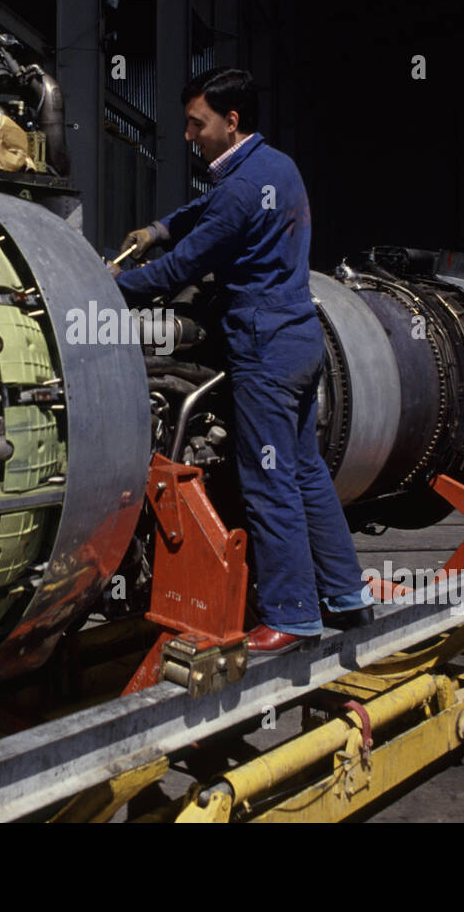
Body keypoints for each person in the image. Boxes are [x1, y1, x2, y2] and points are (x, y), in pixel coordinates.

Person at [113, 67, 371, 654]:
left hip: (262, 349)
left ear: (231, 122)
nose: (188, 135)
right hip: (300, 339)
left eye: (196, 123)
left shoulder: (237, 191)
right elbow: (207, 215)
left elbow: (181, 268)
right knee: (306, 472)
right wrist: (159, 227)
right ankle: (345, 595)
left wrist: (110, 287)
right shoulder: (276, 167)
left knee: (268, 480)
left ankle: (292, 614)